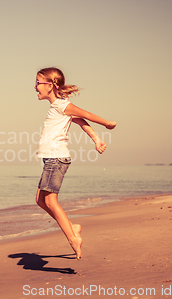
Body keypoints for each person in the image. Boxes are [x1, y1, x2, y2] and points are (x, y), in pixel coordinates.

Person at [34, 67, 116, 260]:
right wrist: (96, 139)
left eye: (38, 82)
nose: (35, 86)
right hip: (51, 159)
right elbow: (81, 122)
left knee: (51, 201)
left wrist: (106, 123)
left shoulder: (62, 105)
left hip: (56, 158)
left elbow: (84, 114)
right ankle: (72, 227)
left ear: (50, 85)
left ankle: (73, 238)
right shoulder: (59, 106)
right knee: (39, 200)